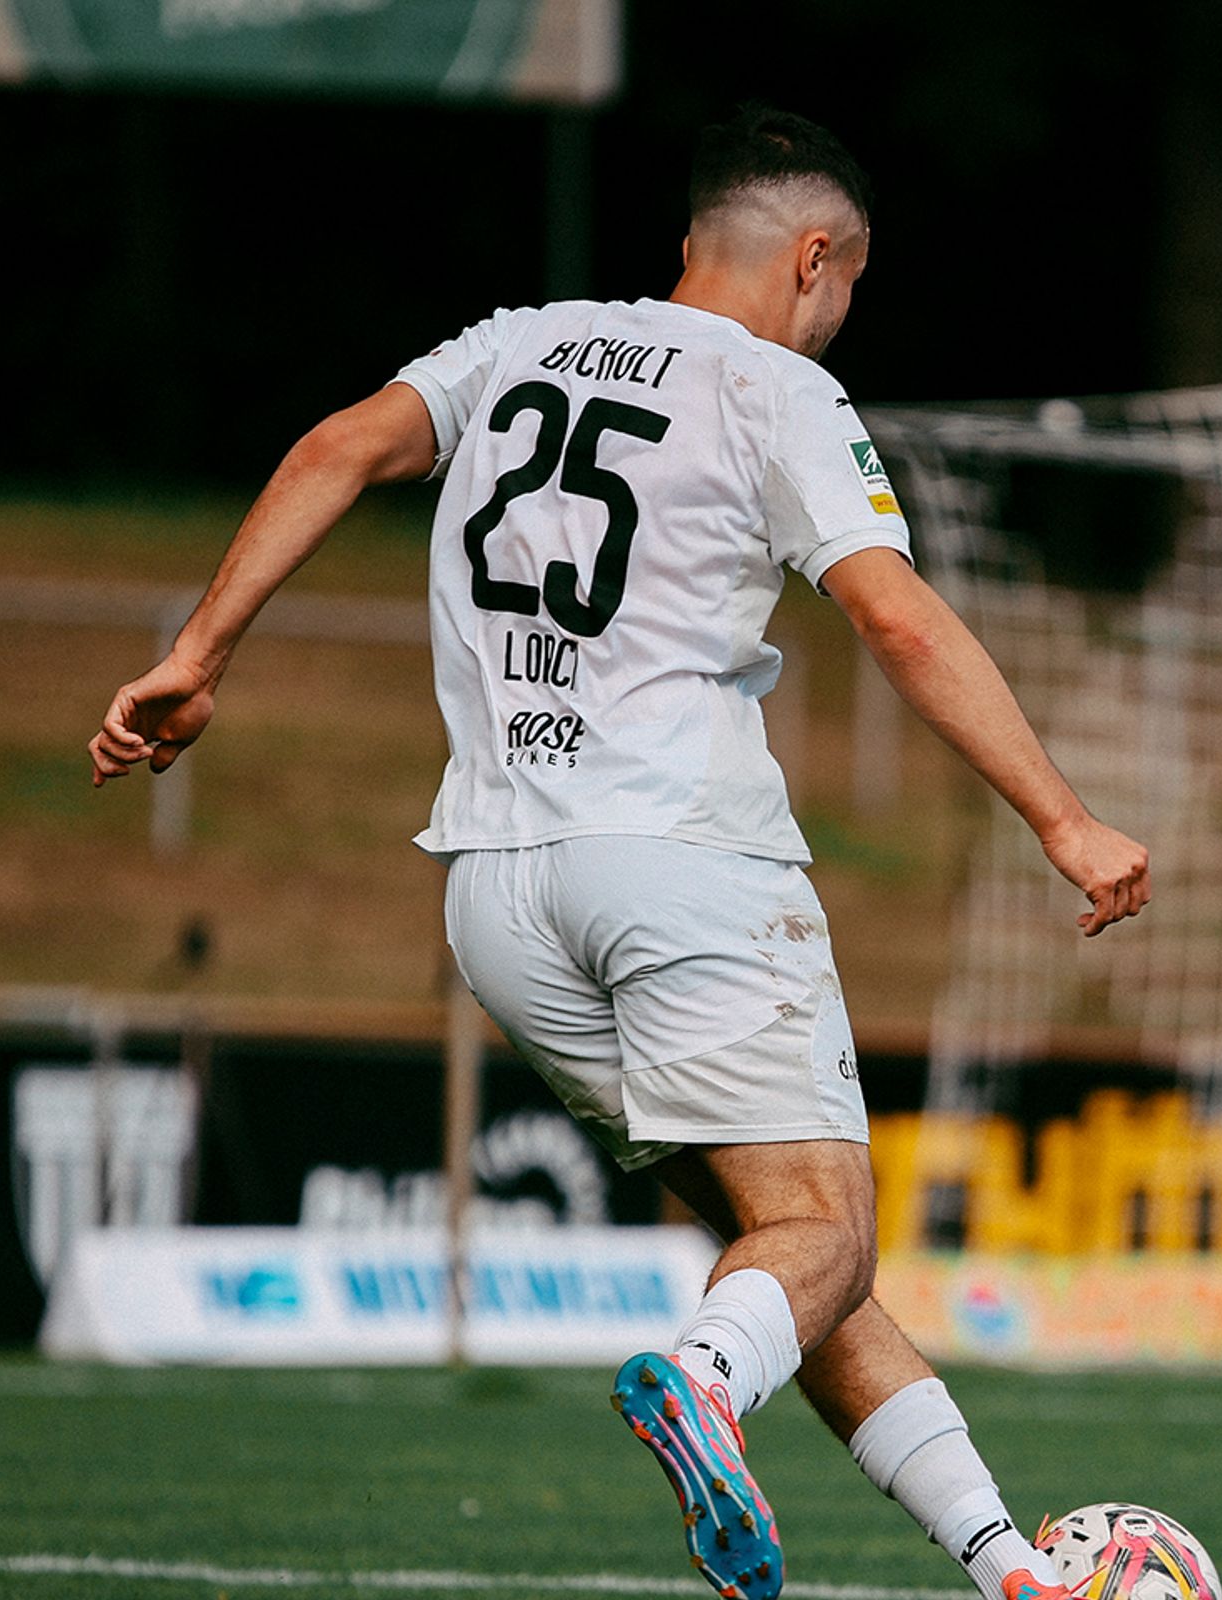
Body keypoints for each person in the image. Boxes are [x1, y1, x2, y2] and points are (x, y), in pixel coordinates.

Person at [87, 106, 1150, 1600]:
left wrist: (197, 655)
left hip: (500, 894)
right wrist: (1063, 814)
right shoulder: (778, 389)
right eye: (847, 290)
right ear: (816, 258)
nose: (841, 317)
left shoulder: (517, 341)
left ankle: (1004, 1566)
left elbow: (336, 447)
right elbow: (899, 616)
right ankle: (704, 1387)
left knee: (788, 1256)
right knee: (827, 1233)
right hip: (679, 863)